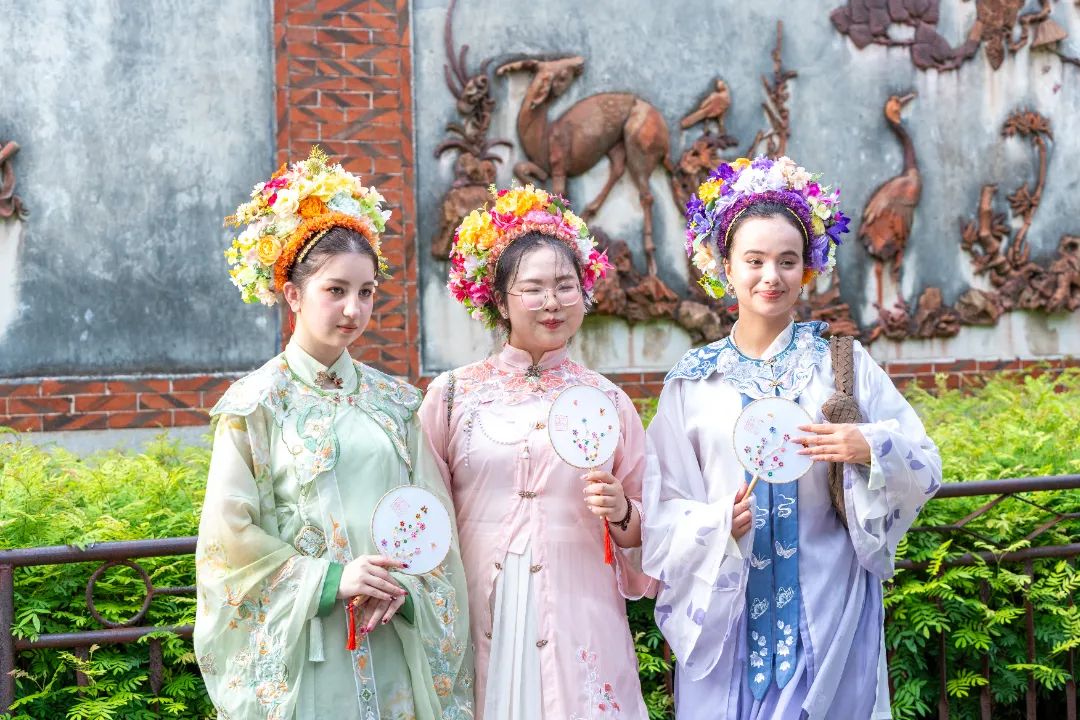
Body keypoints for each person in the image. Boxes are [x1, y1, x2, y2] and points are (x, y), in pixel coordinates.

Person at [642, 156, 942, 719]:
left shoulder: (842, 363)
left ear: (808, 268)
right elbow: (660, 506)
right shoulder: (693, 382)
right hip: (726, 615)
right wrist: (715, 524)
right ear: (724, 266)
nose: (771, 277)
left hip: (831, 608)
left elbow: (926, 462)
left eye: (787, 261)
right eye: (753, 260)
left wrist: (868, 447)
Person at [194, 147, 473, 719]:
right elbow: (228, 539)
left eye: (366, 291)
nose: (353, 308)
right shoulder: (255, 406)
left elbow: (433, 522)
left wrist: (404, 588)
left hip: (392, 635)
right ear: (293, 294)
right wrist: (331, 579)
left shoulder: (397, 403)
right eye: (335, 290)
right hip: (309, 648)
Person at [418, 185, 656, 719]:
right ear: (499, 300)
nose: (553, 302)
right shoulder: (451, 396)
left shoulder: (609, 402)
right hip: (479, 605)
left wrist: (621, 511)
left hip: (579, 612)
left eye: (566, 286)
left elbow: (648, 529)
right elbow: (423, 508)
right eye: (533, 289)